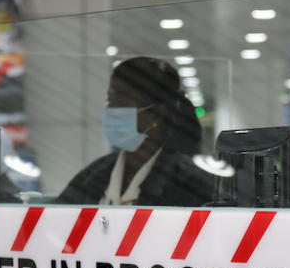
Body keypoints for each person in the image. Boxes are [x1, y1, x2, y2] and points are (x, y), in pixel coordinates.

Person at [55, 56, 215, 206]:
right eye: (110, 100)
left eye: (122, 102)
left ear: (156, 115)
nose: (111, 110)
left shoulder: (191, 186)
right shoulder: (93, 175)